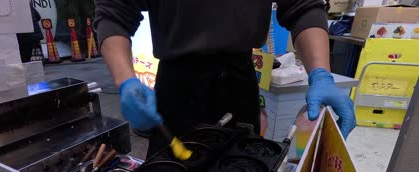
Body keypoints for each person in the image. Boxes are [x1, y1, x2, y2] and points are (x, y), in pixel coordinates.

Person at [94, 0, 356, 158]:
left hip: (238, 83)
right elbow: (114, 13)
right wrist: (126, 81)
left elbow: (303, 7)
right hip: (177, 89)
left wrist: (321, 73)